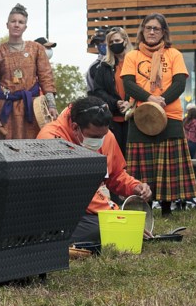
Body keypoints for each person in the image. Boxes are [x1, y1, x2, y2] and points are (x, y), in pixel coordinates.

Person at [38, 96, 151, 244]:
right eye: (94, 136)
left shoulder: (105, 135)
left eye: (103, 135)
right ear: (75, 127)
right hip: (53, 212)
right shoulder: (51, 139)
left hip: (83, 212)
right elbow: (75, 191)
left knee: (101, 228)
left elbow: (115, 174)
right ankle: (44, 240)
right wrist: (117, 218)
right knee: (101, 229)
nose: (100, 141)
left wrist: (134, 186)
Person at [121, 13, 194, 216]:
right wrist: (149, 99)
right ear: (142, 31)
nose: (152, 32)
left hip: (169, 115)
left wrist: (161, 102)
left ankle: (166, 208)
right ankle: (142, 205)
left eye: (156, 28)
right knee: (144, 166)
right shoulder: (132, 56)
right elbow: (128, 84)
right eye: (148, 28)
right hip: (141, 115)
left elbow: (180, 83)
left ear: (163, 32)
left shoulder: (174, 54)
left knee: (167, 166)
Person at [0, 4, 57, 140]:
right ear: (7, 24)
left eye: (21, 22)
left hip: (31, 107)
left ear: (25, 27)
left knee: (32, 149)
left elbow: (46, 78)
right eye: (13, 21)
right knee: (5, 150)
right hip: (5, 107)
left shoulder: (36, 49)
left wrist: (51, 105)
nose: (16, 25)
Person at [88, 26, 134, 155]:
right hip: (113, 119)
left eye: (117, 41)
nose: (114, 44)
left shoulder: (137, 61)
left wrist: (130, 102)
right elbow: (97, 90)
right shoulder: (104, 66)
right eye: (111, 42)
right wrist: (116, 102)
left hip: (135, 116)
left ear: (125, 40)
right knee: (116, 156)